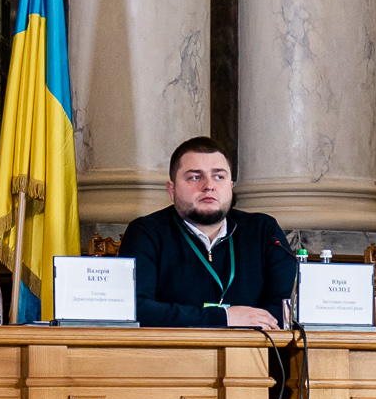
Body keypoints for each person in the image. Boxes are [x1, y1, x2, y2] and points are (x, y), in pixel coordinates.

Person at [117, 136, 292, 328]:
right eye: (195, 177)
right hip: (174, 347)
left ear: (230, 186)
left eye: (219, 177)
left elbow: (287, 308)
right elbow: (136, 309)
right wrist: (223, 318)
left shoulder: (263, 231)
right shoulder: (146, 232)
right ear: (172, 190)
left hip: (254, 346)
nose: (209, 186)